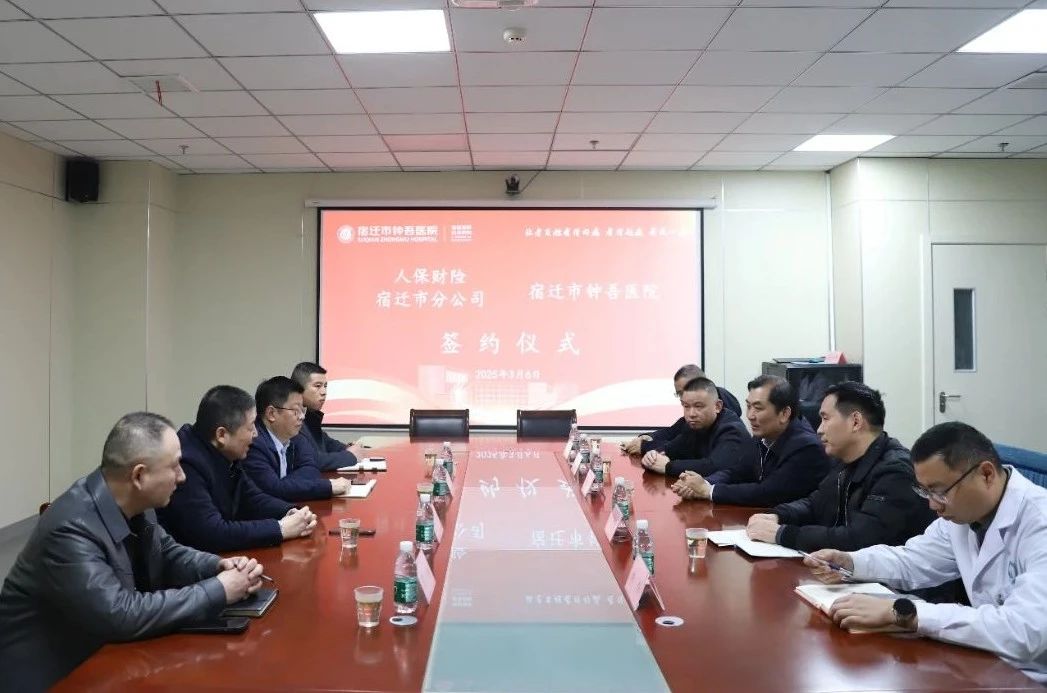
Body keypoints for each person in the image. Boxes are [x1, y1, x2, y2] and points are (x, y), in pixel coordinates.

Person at [0, 412, 265, 691]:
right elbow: (120, 615)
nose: (182, 476)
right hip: (54, 676)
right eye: (174, 466)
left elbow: (166, 551)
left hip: (103, 656)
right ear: (139, 475)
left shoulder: (135, 501)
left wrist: (218, 567)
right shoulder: (70, 528)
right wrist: (219, 590)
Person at [805, 422, 1047, 684]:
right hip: (989, 662)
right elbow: (913, 560)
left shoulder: (1039, 522)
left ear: (986, 474)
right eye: (925, 491)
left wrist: (906, 613)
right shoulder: (962, 516)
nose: (932, 505)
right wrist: (851, 562)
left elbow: (1025, 630)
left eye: (939, 491)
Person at [747, 381, 934, 551]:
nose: (819, 429)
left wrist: (782, 534)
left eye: (825, 418)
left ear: (855, 421)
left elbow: (859, 539)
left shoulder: (895, 473)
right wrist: (778, 515)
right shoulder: (844, 460)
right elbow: (815, 504)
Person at [157, 385, 318, 553]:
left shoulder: (225, 453)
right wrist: (280, 528)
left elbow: (252, 498)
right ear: (221, 435)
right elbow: (212, 533)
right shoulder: (187, 464)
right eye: (250, 427)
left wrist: (290, 512)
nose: (256, 434)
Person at [672, 374, 830, 506]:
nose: (750, 416)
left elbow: (767, 493)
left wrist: (709, 491)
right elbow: (737, 472)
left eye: (758, 408)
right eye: (749, 406)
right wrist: (702, 483)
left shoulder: (806, 448)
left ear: (784, 414)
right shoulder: (762, 436)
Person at [242, 376, 349, 502]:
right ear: (271, 414)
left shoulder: (295, 436)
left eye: (302, 409)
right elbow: (273, 490)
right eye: (295, 410)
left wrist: (284, 486)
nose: (302, 417)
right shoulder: (254, 443)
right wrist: (328, 487)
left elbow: (311, 467)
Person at [639, 376, 754, 478]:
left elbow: (714, 466)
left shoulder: (732, 429)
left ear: (718, 406)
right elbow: (672, 449)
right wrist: (653, 455)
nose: (691, 414)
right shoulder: (694, 425)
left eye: (698, 406)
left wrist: (668, 466)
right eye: (686, 406)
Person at [622, 364, 741, 456]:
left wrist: (644, 446)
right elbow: (674, 430)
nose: (683, 397)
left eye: (686, 390)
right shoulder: (705, 403)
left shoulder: (717, 414)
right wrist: (647, 437)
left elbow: (681, 445)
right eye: (679, 393)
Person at [290, 361, 360, 471]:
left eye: (325, 386)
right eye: (317, 386)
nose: (324, 392)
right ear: (298, 389)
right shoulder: (290, 419)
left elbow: (327, 443)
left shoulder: (309, 417)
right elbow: (313, 459)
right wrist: (350, 455)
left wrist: (348, 448)